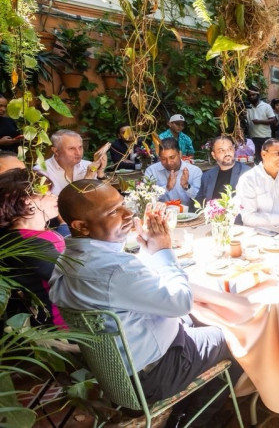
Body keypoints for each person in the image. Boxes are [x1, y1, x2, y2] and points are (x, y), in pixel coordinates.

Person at [49, 180, 243, 426]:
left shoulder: (67, 260)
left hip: (116, 373)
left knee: (197, 316)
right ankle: (191, 421)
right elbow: (181, 302)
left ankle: (185, 405)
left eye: (123, 204)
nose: (128, 214)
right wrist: (163, 250)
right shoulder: (115, 270)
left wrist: (148, 250)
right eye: (113, 211)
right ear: (81, 226)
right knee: (236, 339)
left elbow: (121, 287)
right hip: (152, 376)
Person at [0, 168, 64, 327]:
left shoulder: (31, 234)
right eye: (48, 194)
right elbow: (75, 279)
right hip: (66, 325)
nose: (54, 197)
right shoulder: (28, 244)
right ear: (28, 200)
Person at [39, 129, 107, 196]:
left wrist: (100, 173)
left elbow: (107, 196)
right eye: (71, 148)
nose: (78, 153)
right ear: (56, 151)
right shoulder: (41, 172)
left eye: (80, 147)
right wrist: (88, 178)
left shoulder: (88, 165)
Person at [143, 138, 202, 207]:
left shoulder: (194, 171)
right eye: (163, 159)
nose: (168, 162)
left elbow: (200, 199)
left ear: (180, 154)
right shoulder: (151, 171)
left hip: (188, 214)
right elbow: (146, 199)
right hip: (161, 214)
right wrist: (167, 188)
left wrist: (186, 186)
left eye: (172, 157)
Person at [197, 135, 251, 203]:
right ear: (214, 155)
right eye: (221, 150)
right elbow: (198, 203)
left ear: (234, 150)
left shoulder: (247, 173)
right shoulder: (207, 176)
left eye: (230, 149)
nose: (227, 153)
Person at [246, 89, 277, 154]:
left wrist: (259, 121)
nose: (251, 97)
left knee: (266, 157)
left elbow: (273, 120)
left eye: (253, 95)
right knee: (257, 159)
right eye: (249, 96)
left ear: (258, 95)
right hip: (253, 138)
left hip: (265, 137)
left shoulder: (266, 106)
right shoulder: (247, 108)